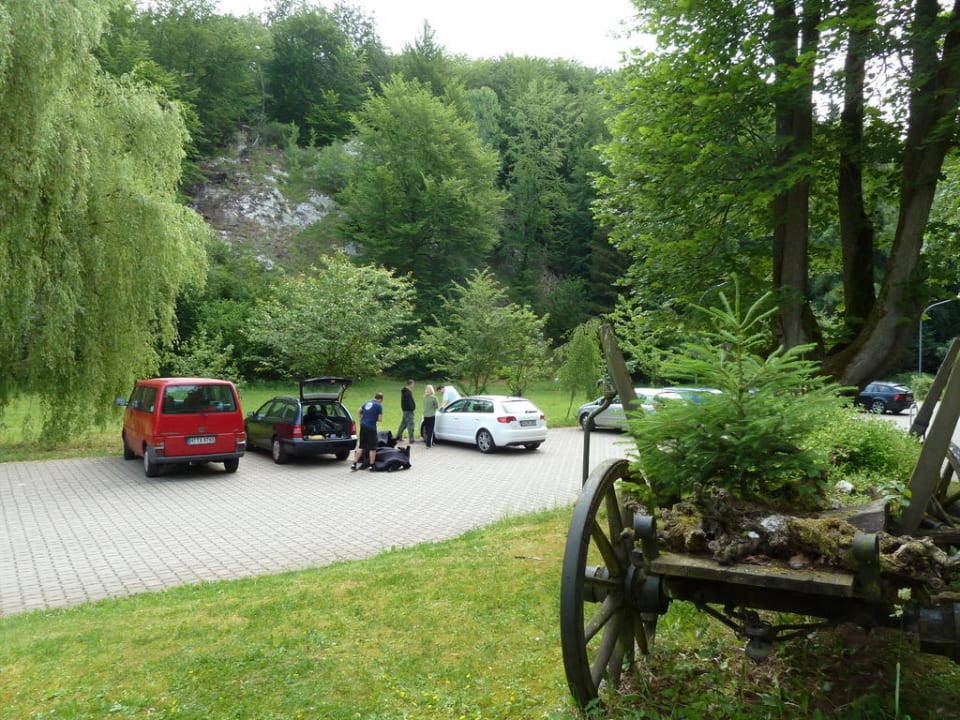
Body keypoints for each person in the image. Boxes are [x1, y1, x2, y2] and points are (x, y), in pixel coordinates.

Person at [351, 392, 383, 471]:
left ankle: (354, 464)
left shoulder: (367, 402)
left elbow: (359, 410)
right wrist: (373, 418)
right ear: (381, 399)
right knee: (372, 448)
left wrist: (361, 419)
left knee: (361, 446)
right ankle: (372, 466)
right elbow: (380, 419)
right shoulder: (379, 406)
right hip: (371, 427)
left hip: (363, 426)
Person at [396, 379, 416, 443]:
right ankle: (411, 439)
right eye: (413, 384)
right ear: (410, 384)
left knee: (403, 424)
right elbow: (408, 402)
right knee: (410, 424)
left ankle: (398, 437)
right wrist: (412, 408)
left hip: (405, 411)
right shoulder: (407, 393)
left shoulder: (405, 392)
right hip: (408, 411)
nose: (413, 386)